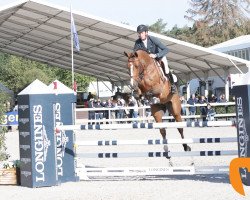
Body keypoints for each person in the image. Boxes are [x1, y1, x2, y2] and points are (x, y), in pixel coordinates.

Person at [133, 24, 177, 93]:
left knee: (166, 69)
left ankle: (172, 85)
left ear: (146, 33)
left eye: (142, 33)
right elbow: (135, 54)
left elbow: (166, 49)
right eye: (139, 33)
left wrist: (156, 55)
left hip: (159, 57)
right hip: (148, 62)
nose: (140, 35)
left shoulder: (153, 39)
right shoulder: (137, 42)